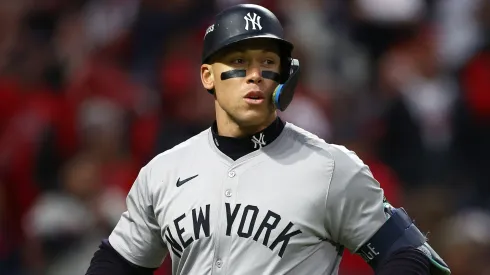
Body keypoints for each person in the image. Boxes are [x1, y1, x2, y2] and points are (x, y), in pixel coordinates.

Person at [86, 4, 450, 275]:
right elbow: (117, 262)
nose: (255, 76)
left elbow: (410, 255)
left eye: (268, 63)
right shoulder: (164, 172)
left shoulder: (329, 168)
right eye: (240, 62)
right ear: (208, 77)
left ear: (285, 78)